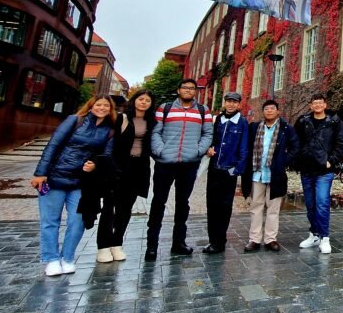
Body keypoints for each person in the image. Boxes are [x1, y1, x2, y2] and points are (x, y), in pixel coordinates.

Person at [30, 95, 116, 277]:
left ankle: (67, 258)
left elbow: (106, 156)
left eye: (106, 106)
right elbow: (53, 144)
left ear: (110, 109)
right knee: (50, 221)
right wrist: (40, 173)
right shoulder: (75, 121)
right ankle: (52, 259)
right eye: (98, 104)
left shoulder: (109, 130)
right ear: (91, 106)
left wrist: (95, 165)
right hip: (55, 178)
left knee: (78, 221)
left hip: (80, 182)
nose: (102, 108)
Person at [146, 79, 213, 260]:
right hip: (165, 163)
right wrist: (161, 151)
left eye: (192, 88)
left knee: (183, 203)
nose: (188, 91)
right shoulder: (165, 108)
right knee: (159, 202)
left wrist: (197, 152)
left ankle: (179, 243)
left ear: (195, 92)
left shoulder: (202, 110)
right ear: (179, 90)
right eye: (185, 87)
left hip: (188, 164)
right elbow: (155, 132)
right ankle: (152, 245)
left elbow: (208, 133)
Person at [93, 89, 155, 263]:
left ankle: (117, 243)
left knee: (126, 208)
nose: (143, 102)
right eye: (141, 99)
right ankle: (103, 247)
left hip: (139, 167)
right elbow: (108, 142)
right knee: (109, 206)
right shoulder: (121, 118)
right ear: (134, 100)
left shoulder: (151, 122)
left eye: (147, 101)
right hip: (118, 166)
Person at [236, 99, 297, 252]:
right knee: (256, 207)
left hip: (275, 175)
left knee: (273, 209)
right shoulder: (254, 127)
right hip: (257, 173)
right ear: (263, 112)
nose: (269, 111)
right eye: (266, 109)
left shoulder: (285, 128)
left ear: (277, 112)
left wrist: (284, 161)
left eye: (272, 108)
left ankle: (271, 239)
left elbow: (296, 146)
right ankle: (254, 239)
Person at [294, 93, 343, 254]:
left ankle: (325, 237)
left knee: (322, 203)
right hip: (307, 170)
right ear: (311, 105)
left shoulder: (334, 122)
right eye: (314, 103)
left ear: (325, 105)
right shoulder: (303, 121)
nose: (317, 105)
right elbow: (295, 142)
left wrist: (331, 160)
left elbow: (341, 143)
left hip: (324, 171)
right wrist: (298, 161)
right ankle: (314, 234)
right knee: (310, 204)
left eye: (320, 102)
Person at [202, 92, 250, 254]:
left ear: (239, 105)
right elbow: (210, 140)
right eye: (228, 101)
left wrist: (236, 170)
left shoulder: (242, 123)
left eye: (234, 102)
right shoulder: (217, 121)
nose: (230, 105)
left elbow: (244, 149)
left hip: (228, 171)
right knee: (212, 205)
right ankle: (212, 240)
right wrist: (207, 149)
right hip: (214, 169)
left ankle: (220, 241)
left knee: (224, 207)